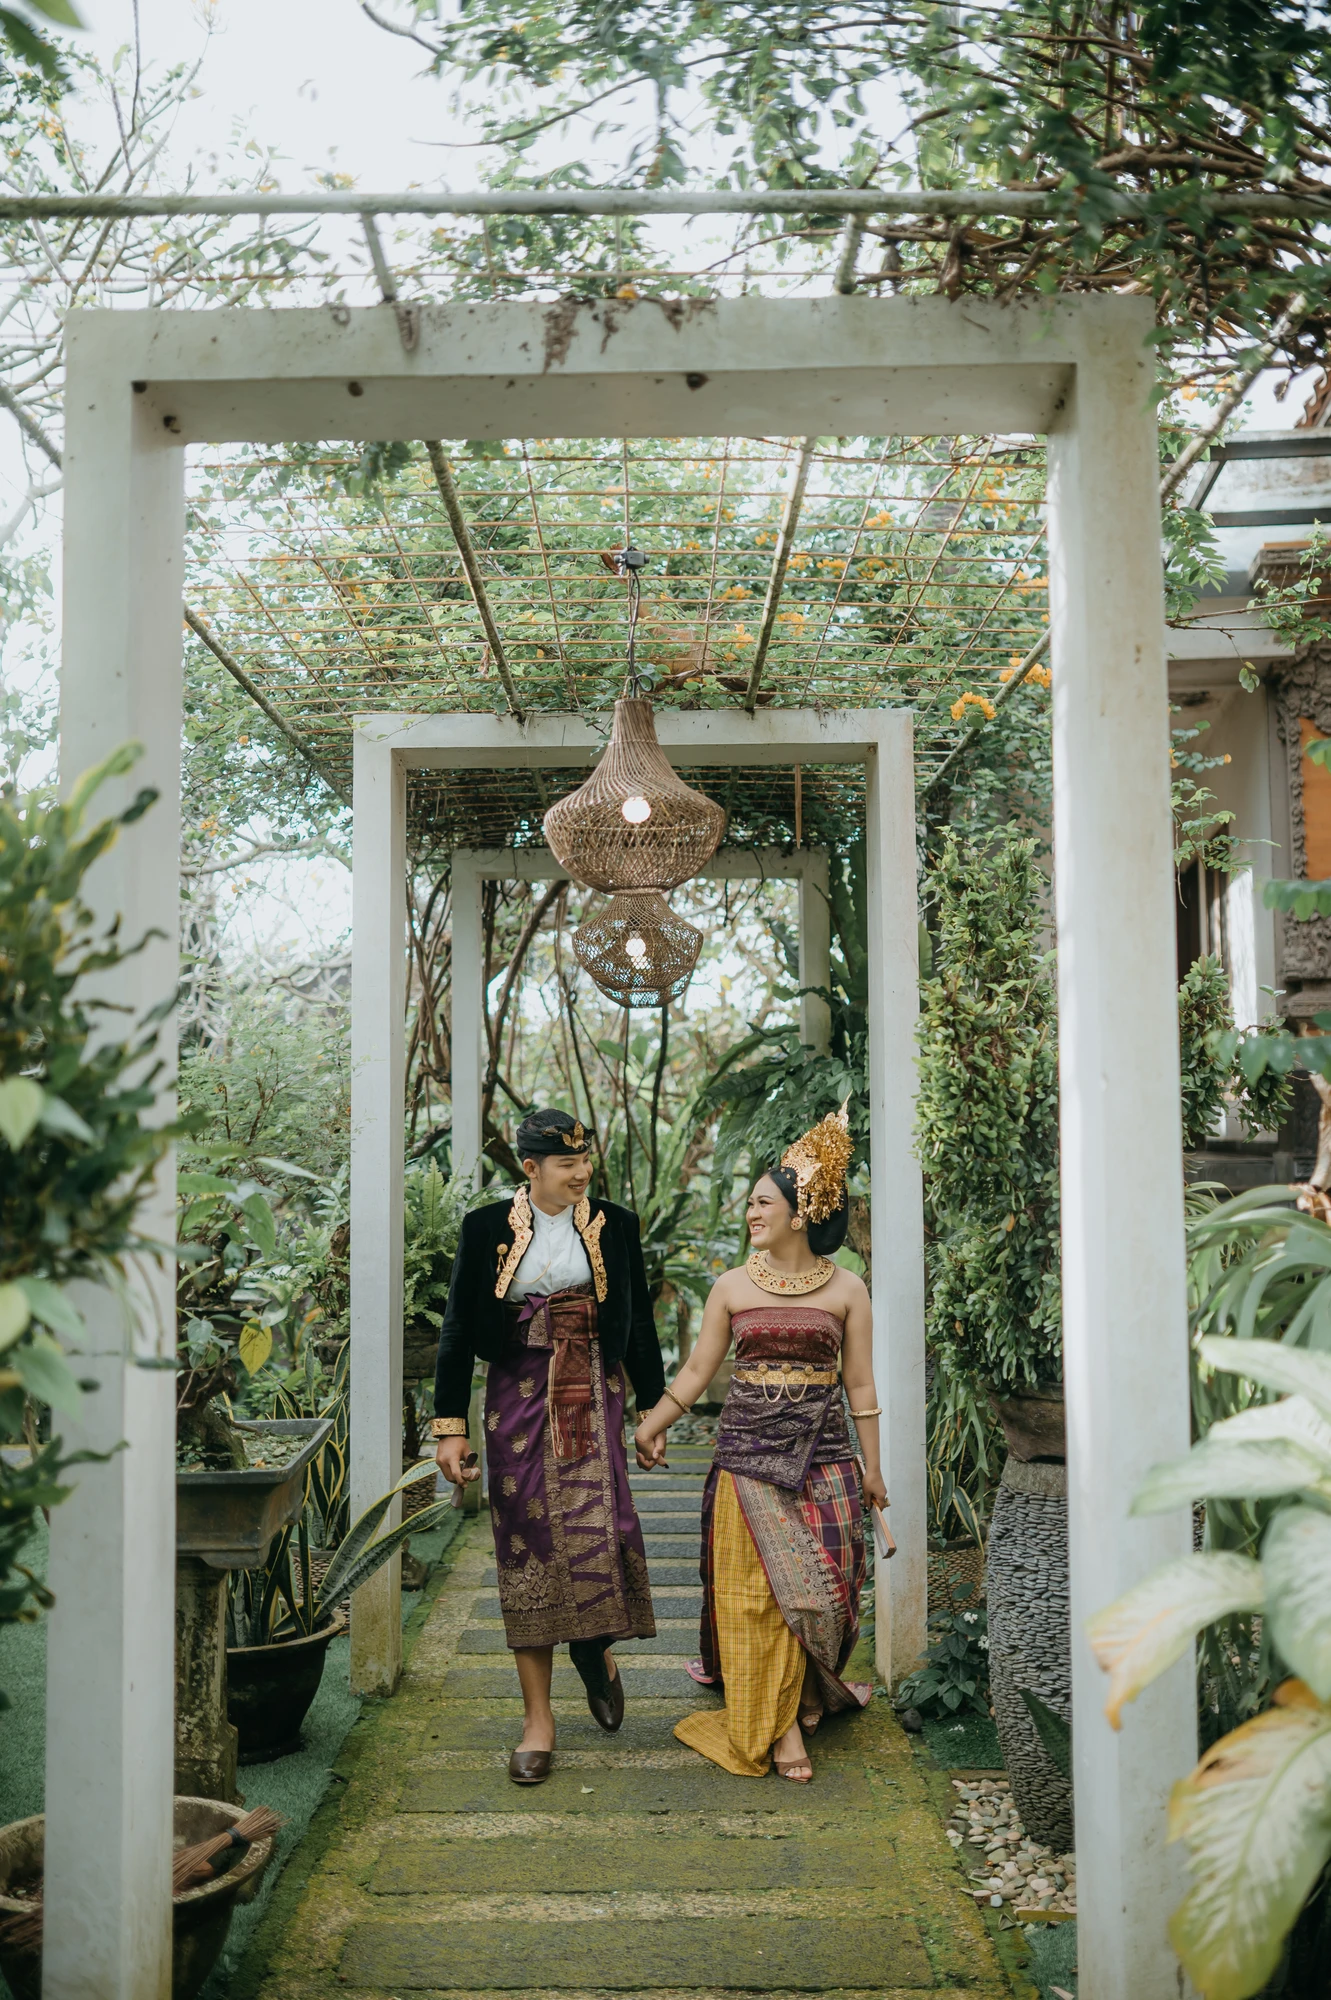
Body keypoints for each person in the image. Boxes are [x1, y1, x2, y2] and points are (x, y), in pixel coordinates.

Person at [634, 1106, 885, 1783]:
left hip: (826, 1460)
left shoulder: (847, 1289)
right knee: (755, 1598)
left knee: (825, 1595)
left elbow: (860, 1383)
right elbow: (696, 1371)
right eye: (749, 1202)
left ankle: (805, 1687)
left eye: (762, 1202)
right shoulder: (731, 1286)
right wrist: (652, 1423)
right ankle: (780, 1731)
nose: (750, 1212)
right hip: (745, 1462)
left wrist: (873, 1467)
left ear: (800, 1215)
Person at [432, 1109, 666, 1785]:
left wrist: (653, 1410)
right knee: (526, 1545)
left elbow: (638, 1322)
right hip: (516, 1396)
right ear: (530, 1168)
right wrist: (449, 1427)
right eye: (567, 1164)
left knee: (605, 1527)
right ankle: (538, 1721)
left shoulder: (616, 1225)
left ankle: (594, 1645)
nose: (581, 1172)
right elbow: (457, 1327)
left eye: (585, 1159)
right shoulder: (484, 1228)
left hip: (593, 1389)